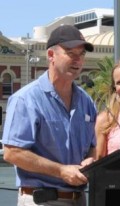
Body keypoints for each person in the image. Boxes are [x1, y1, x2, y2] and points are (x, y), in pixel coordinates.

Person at [2, 25, 97, 206]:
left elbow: (93, 146)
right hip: (42, 201)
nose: (78, 60)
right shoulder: (26, 99)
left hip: (80, 200)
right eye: (70, 53)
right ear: (51, 56)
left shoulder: (87, 102)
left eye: (82, 54)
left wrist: (91, 160)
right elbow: (12, 153)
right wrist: (61, 171)